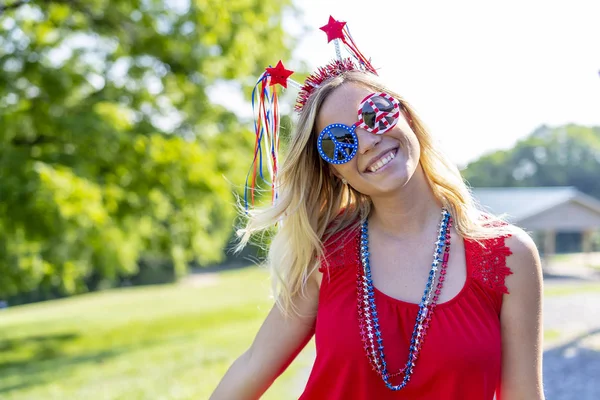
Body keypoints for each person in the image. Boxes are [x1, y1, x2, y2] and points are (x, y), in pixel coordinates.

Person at [210, 17, 544, 400]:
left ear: (407, 115)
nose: (367, 141)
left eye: (375, 113)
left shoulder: (509, 254)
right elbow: (253, 365)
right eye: (340, 142)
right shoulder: (326, 255)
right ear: (333, 171)